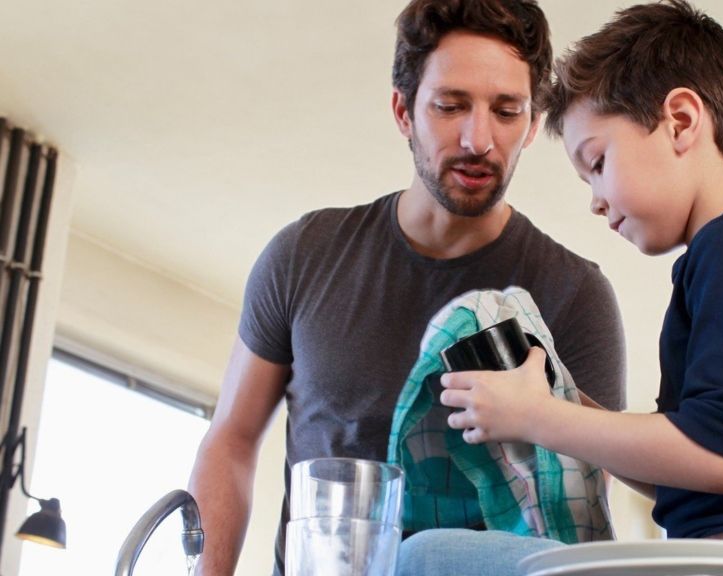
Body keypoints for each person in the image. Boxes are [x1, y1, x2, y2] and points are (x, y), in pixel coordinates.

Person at [406, 1, 723, 574]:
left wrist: (535, 417)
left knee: (427, 555)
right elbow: (689, 468)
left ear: (680, 121)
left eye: (598, 162)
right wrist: (565, 406)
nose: (595, 201)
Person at [186, 1, 628, 574]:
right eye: (450, 106)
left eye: (506, 111)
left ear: (533, 123)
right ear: (403, 111)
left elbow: (579, 509)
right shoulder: (304, 255)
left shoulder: (576, 295)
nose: (478, 139)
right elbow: (231, 439)